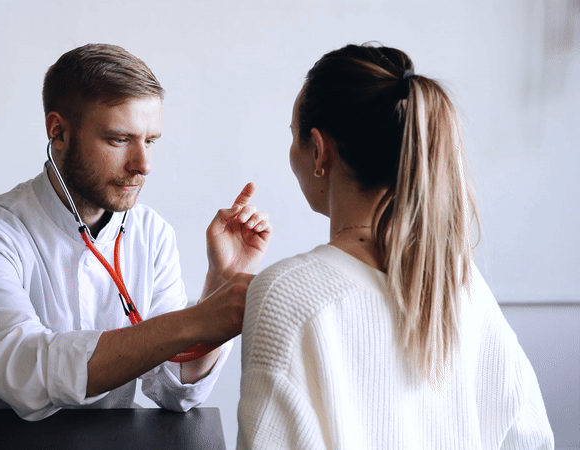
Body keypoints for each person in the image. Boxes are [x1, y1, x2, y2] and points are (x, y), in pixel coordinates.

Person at [237, 43, 553, 449]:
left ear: (318, 151)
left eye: (293, 135)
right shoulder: (461, 283)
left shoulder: (285, 294)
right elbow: (530, 439)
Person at [0, 43, 272, 420]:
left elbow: (174, 388)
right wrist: (197, 320)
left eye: (150, 141)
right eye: (119, 139)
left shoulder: (151, 234)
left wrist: (222, 282)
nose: (143, 165)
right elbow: (28, 377)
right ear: (58, 132)